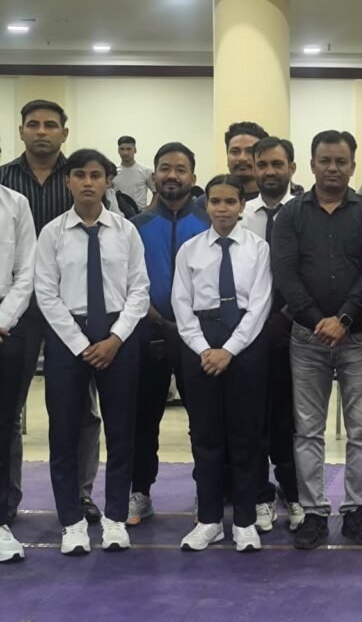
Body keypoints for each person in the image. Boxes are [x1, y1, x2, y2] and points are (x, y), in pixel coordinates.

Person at [272, 130, 362, 550]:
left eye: (341, 161)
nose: (333, 168)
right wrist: (318, 321)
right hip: (307, 338)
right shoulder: (291, 215)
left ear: (353, 166)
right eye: (325, 161)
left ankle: (356, 511)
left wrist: (344, 319)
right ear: (311, 164)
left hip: (359, 337)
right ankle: (314, 512)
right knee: (307, 430)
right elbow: (285, 274)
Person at [34, 149, 150, 555]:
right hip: (69, 337)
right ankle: (72, 522)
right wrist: (82, 344)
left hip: (119, 335)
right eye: (80, 175)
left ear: (108, 182)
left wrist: (115, 338)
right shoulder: (52, 233)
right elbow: (46, 293)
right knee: (64, 432)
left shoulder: (125, 231)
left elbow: (140, 289)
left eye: (96, 175)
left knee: (121, 431)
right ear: (68, 181)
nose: (88, 182)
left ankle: (116, 518)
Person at [0, 100, 102, 526]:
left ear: (64, 132)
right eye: (33, 124)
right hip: (17, 314)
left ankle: (80, 495)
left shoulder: (82, 175)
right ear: (21, 131)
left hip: (72, 313)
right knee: (8, 410)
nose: (41, 131)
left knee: (81, 410)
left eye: (50, 125)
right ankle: (7, 500)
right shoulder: (4, 181)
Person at [173, 175, 273, 553]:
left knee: (246, 437)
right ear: (206, 205)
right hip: (201, 342)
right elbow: (181, 304)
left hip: (245, 343)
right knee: (206, 437)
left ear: (242, 205)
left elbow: (260, 304)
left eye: (230, 201)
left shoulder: (258, 249)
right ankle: (209, 520)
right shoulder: (190, 250)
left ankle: (245, 521)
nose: (222, 208)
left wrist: (230, 349)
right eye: (215, 201)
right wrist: (204, 348)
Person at [126, 142, 209, 526]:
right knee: (143, 421)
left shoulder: (209, 223)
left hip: (199, 341)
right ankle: (140, 492)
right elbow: (129, 284)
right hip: (148, 336)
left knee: (204, 423)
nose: (172, 175)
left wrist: (188, 328)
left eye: (180, 169)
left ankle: (208, 492)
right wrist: (160, 323)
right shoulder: (135, 227)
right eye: (164, 168)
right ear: (154, 175)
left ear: (193, 177)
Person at [239, 136, 303, 533]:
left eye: (277, 164)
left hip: (296, 329)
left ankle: (295, 494)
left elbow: (310, 270)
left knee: (289, 421)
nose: (269, 172)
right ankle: (260, 496)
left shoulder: (306, 211)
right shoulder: (240, 214)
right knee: (254, 419)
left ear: (291, 168)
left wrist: (288, 315)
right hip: (249, 332)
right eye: (262, 164)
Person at [0, 183, 35, 563]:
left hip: (6, 323)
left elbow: (27, 270)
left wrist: (3, 319)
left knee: (2, 423)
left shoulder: (15, 203)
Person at [224, 121, 268, 202]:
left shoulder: (280, 202)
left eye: (250, 151)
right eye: (235, 152)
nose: (242, 158)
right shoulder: (208, 203)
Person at [113, 135, 154, 210]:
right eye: (122, 149)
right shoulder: (112, 171)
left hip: (140, 213)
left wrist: (149, 210)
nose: (125, 153)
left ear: (135, 150)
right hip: (118, 214)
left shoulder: (146, 171)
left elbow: (157, 193)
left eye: (129, 149)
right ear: (118, 151)